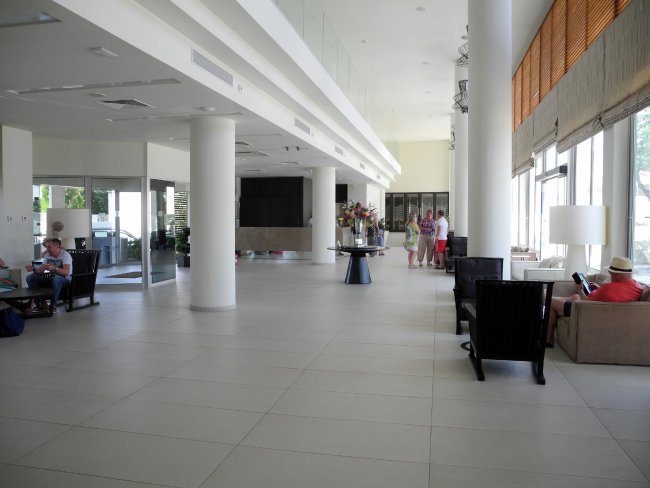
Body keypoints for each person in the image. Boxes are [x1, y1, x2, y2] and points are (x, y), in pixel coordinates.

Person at [546, 256, 643, 346]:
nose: (610, 275)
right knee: (570, 298)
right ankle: (548, 337)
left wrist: (580, 289)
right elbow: (613, 295)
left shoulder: (609, 288)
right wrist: (598, 289)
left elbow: (586, 301)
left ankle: (548, 336)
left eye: (610, 272)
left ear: (617, 274)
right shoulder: (637, 286)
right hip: (600, 310)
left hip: (583, 311)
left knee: (548, 300)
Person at [25, 237, 73, 313]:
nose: (47, 249)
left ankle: (52, 306)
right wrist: (33, 269)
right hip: (51, 279)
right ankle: (42, 303)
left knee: (56, 279)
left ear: (57, 246)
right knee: (30, 277)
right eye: (46, 247)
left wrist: (54, 268)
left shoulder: (65, 255)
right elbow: (40, 271)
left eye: (49, 247)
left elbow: (66, 272)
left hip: (65, 280)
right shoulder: (48, 255)